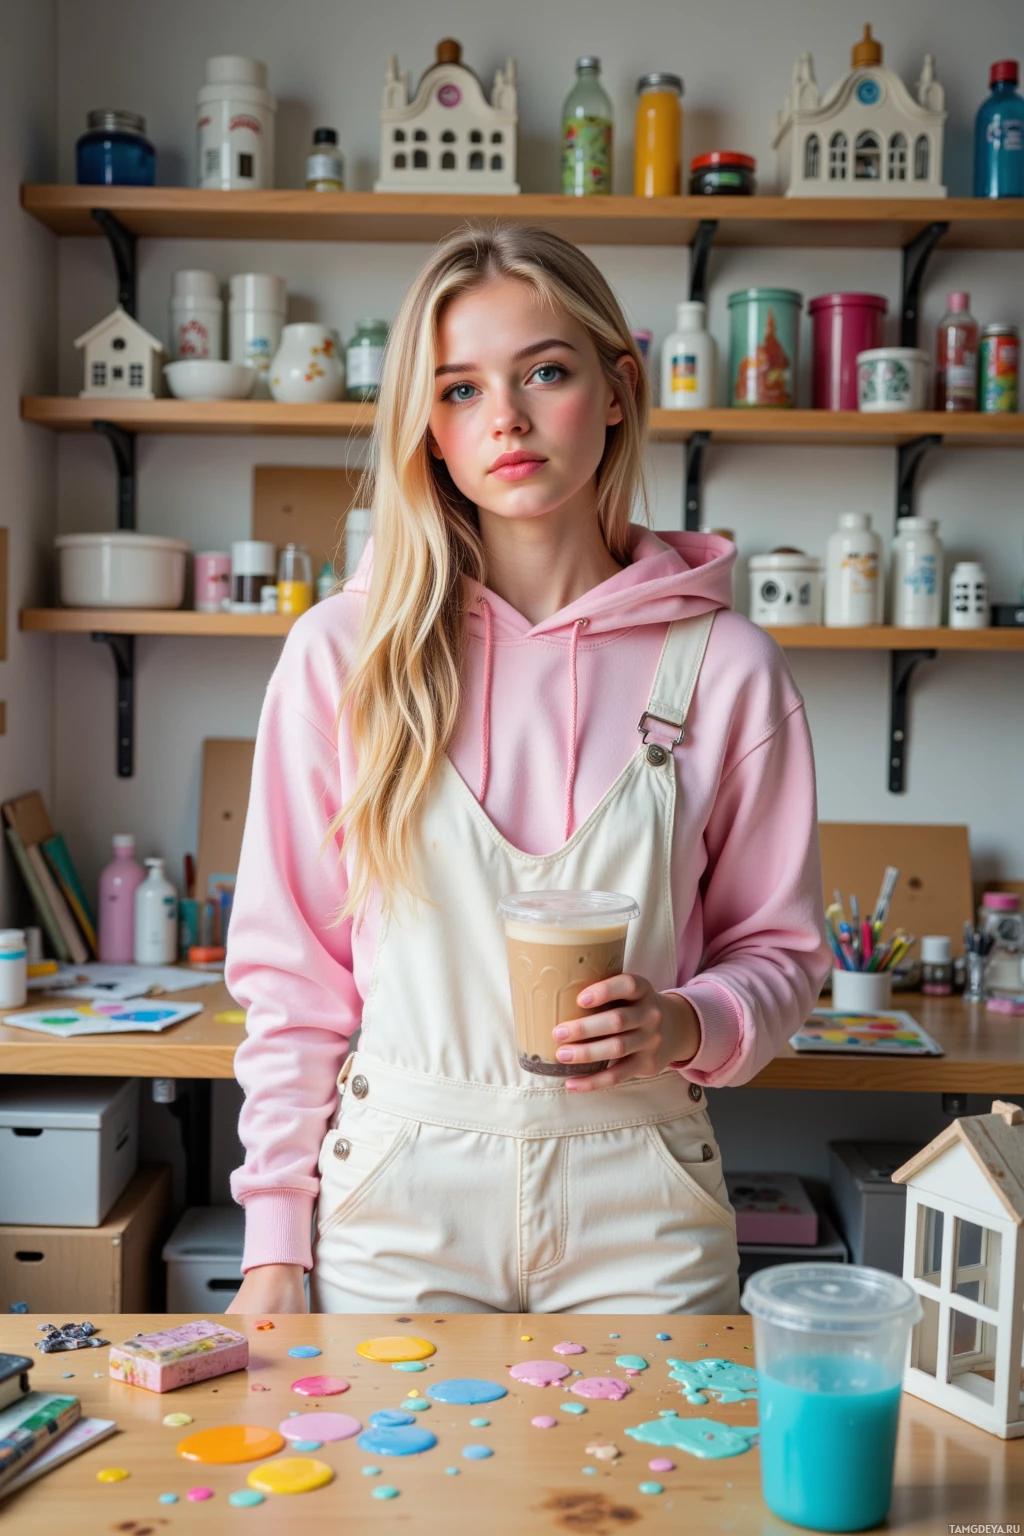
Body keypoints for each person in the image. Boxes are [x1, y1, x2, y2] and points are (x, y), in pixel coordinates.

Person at [225, 224, 832, 1317]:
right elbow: (291, 978)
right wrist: (273, 1244)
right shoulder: (345, 656)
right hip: (399, 1204)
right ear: (428, 429)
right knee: (397, 1491)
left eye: (543, 371)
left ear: (614, 388)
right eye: (458, 390)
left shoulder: (728, 670)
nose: (502, 417)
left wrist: (687, 1022)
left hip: (638, 1197)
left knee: (654, 1492)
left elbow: (779, 954)